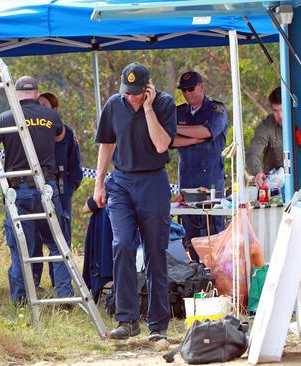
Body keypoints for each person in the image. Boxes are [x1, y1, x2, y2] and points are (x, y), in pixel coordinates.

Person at [94, 62, 176, 341]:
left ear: (148, 88)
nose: (131, 98)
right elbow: (106, 143)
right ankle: (127, 320)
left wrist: (149, 109)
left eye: (137, 93)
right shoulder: (114, 104)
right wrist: (98, 184)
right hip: (121, 183)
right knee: (122, 244)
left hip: (153, 182)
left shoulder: (164, 104)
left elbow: (162, 144)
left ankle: (158, 326)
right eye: (127, 92)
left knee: (155, 253)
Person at [0, 75, 73, 304]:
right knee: (57, 243)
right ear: (36, 93)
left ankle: (21, 301)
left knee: (20, 248)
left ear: (16, 94)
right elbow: (61, 136)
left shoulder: (4, 119)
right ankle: (65, 297)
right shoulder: (51, 116)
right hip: (46, 187)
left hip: (18, 190)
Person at [172, 71, 228, 262]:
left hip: (210, 178)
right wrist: (197, 137)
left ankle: (218, 273)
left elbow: (207, 130)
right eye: (183, 90)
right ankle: (198, 274)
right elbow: (169, 140)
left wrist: (178, 130)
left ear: (201, 87)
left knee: (213, 228)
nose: (187, 93)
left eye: (191, 88)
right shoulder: (178, 112)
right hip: (187, 176)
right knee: (191, 230)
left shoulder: (216, 109)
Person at [32, 92, 83, 287]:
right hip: (35, 190)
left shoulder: (66, 133)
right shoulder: (31, 131)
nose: (40, 109)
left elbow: (75, 167)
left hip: (61, 192)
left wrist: (68, 188)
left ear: (54, 109)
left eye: (44, 105)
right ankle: (34, 283)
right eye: (38, 105)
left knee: (61, 239)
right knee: (34, 238)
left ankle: (61, 285)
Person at [246, 87, 284, 188]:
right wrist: (257, 172)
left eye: (282, 110)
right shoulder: (266, 126)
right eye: (275, 110)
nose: (280, 115)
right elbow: (252, 153)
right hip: (274, 186)